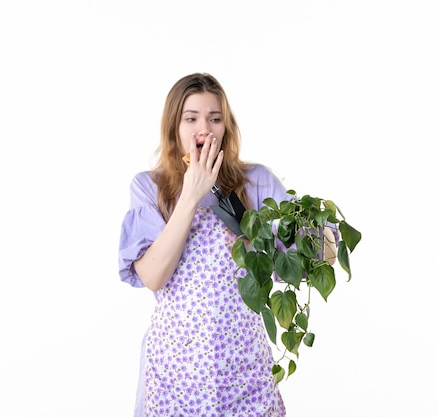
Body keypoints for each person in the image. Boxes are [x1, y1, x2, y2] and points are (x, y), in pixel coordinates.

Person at [118, 73, 337, 417]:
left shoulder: (256, 181)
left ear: (226, 127)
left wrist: (319, 231)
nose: (203, 129)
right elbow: (153, 276)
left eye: (214, 118)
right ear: (174, 126)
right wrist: (191, 193)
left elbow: (318, 255)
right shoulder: (150, 188)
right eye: (191, 118)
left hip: (244, 371)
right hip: (176, 374)